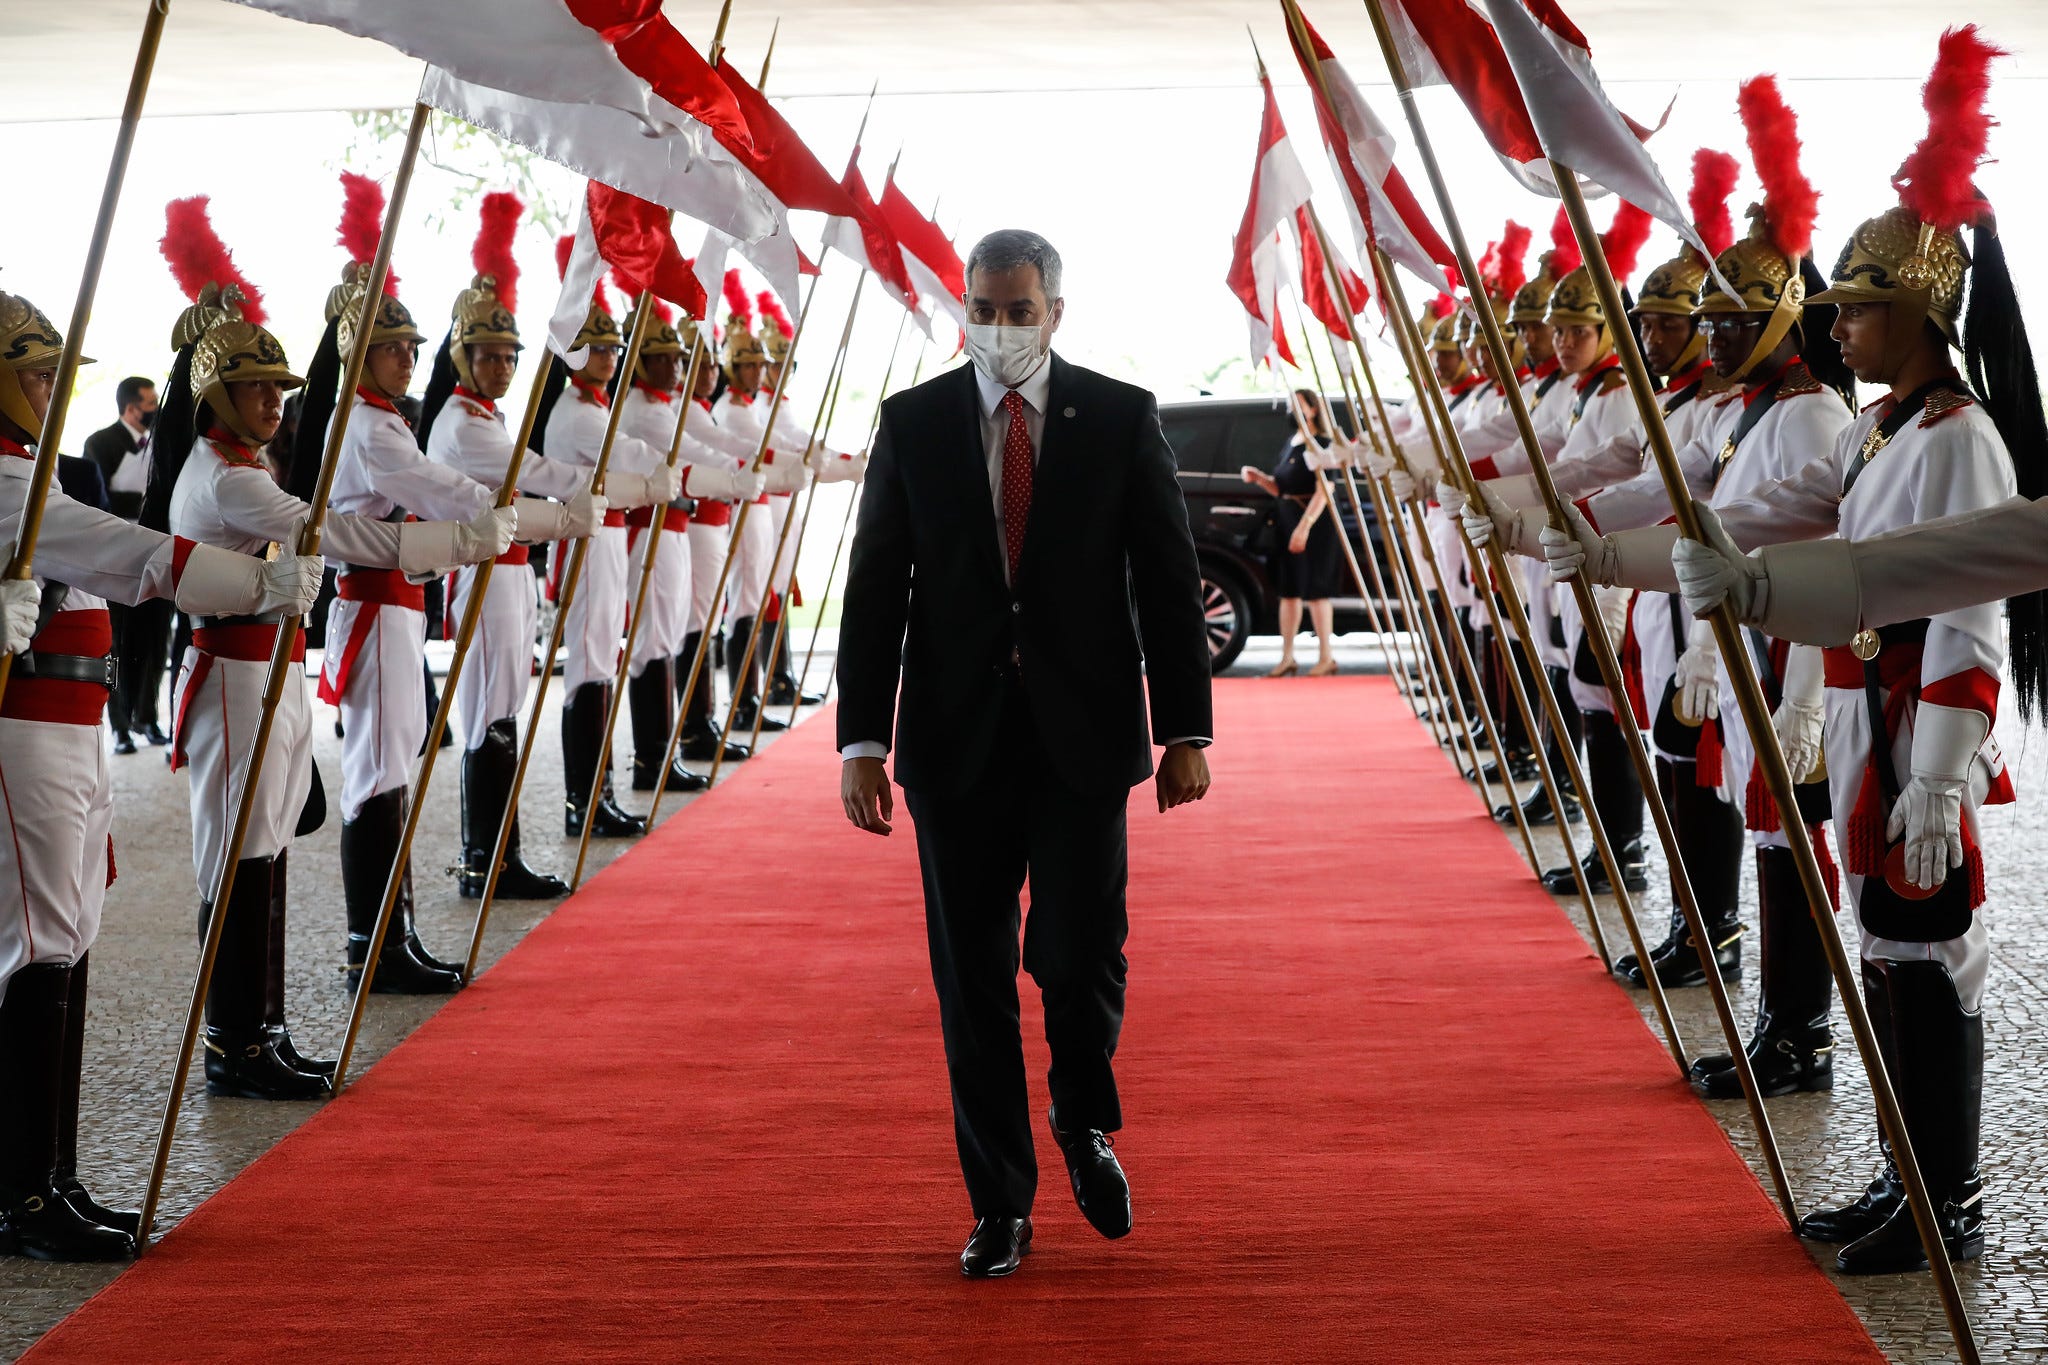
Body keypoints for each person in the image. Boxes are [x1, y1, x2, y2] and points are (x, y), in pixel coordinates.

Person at [1551, 37, 2021, 1274]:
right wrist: (1619, 545)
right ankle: (1901, 1177)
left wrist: (1937, 771)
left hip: (1911, 721)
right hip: (1866, 711)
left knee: (1928, 965)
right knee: (1885, 952)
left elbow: (1969, 615)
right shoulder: (1877, 431)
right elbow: (1760, 513)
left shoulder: (1955, 438)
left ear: (1917, 310)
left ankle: (1946, 1201)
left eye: (1856, 306)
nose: (1839, 323)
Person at [837, 229, 1213, 1279]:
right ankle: (999, 1203)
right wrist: (860, 740)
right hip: (953, 744)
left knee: (1081, 952)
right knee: (973, 981)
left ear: (1055, 312)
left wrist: (1185, 728)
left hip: (1081, 737)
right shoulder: (911, 422)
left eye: (1017, 310)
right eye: (981, 309)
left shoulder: (1119, 417)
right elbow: (874, 590)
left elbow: (1169, 580)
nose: (997, 330)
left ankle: (1081, 1116)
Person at [0, 286, 324, 1259]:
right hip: (31, 725)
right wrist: (253, 580)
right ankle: (22, 1193)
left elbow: (117, 567)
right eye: (36, 373)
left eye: (59, 374)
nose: (54, 391)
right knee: (37, 942)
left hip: (68, 716)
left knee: (65, 935)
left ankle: (46, 1177)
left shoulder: (28, 471)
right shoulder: (11, 484)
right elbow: (125, 552)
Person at [147, 264, 504, 1099]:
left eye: (279, 386)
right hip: (235, 675)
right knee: (241, 850)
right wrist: (453, 544)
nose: (275, 400)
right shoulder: (226, 477)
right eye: (255, 387)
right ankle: (237, 1041)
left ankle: (262, 1029)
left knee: (265, 845)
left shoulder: (240, 465)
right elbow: (336, 532)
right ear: (216, 397)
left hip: (262, 666)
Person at [317, 272, 517, 995]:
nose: (407, 358)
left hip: (395, 605)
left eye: (410, 346)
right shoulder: (370, 425)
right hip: (373, 607)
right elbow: (430, 484)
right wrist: (485, 505)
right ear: (358, 353)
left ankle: (390, 936)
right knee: (377, 772)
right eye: (390, 346)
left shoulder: (381, 416)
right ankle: (373, 945)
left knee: (392, 765)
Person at [416, 198, 604, 899]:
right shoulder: (465, 426)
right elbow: (532, 477)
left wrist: (572, 505)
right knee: (489, 712)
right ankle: (485, 861)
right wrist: (579, 502)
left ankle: (500, 855)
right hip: (487, 575)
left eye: (508, 357)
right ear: (462, 358)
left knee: (504, 707)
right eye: (488, 355)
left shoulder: (487, 417)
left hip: (510, 576)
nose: (499, 367)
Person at [543, 246, 690, 840]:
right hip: (585, 542)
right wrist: (670, 478)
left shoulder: (596, 406)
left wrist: (664, 477)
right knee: (589, 664)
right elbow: (631, 461)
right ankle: (585, 799)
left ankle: (597, 792)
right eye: (598, 348)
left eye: (611, 348)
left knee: (603, 658)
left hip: (604, 539)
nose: (608, 357)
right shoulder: (580, 413)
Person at [86, 377, 170, 754]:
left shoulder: (163, 444)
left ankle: (148, 716)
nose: (155, 410)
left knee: (154, 640)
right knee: (116, 642)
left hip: (156, 554)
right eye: (150, 403)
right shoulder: (100, 443)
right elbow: (93, 500)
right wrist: (136, 499)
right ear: (131, 408)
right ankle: (119, 725)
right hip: (116, 558)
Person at [1239, 388, 1339, 676]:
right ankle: (1287, 657)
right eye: (1289, 404)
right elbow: (1281, 487)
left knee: (1316, 589)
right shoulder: (1292, 443)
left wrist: (1304, 528)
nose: (1292, 410)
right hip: (1286, 518)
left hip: (1314, 523)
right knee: (1289, 590)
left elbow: (1325, 490)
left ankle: (1326, 657)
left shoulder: (1321, 444)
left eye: (1299, 404)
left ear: (1313, 409)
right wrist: (1260, 479)